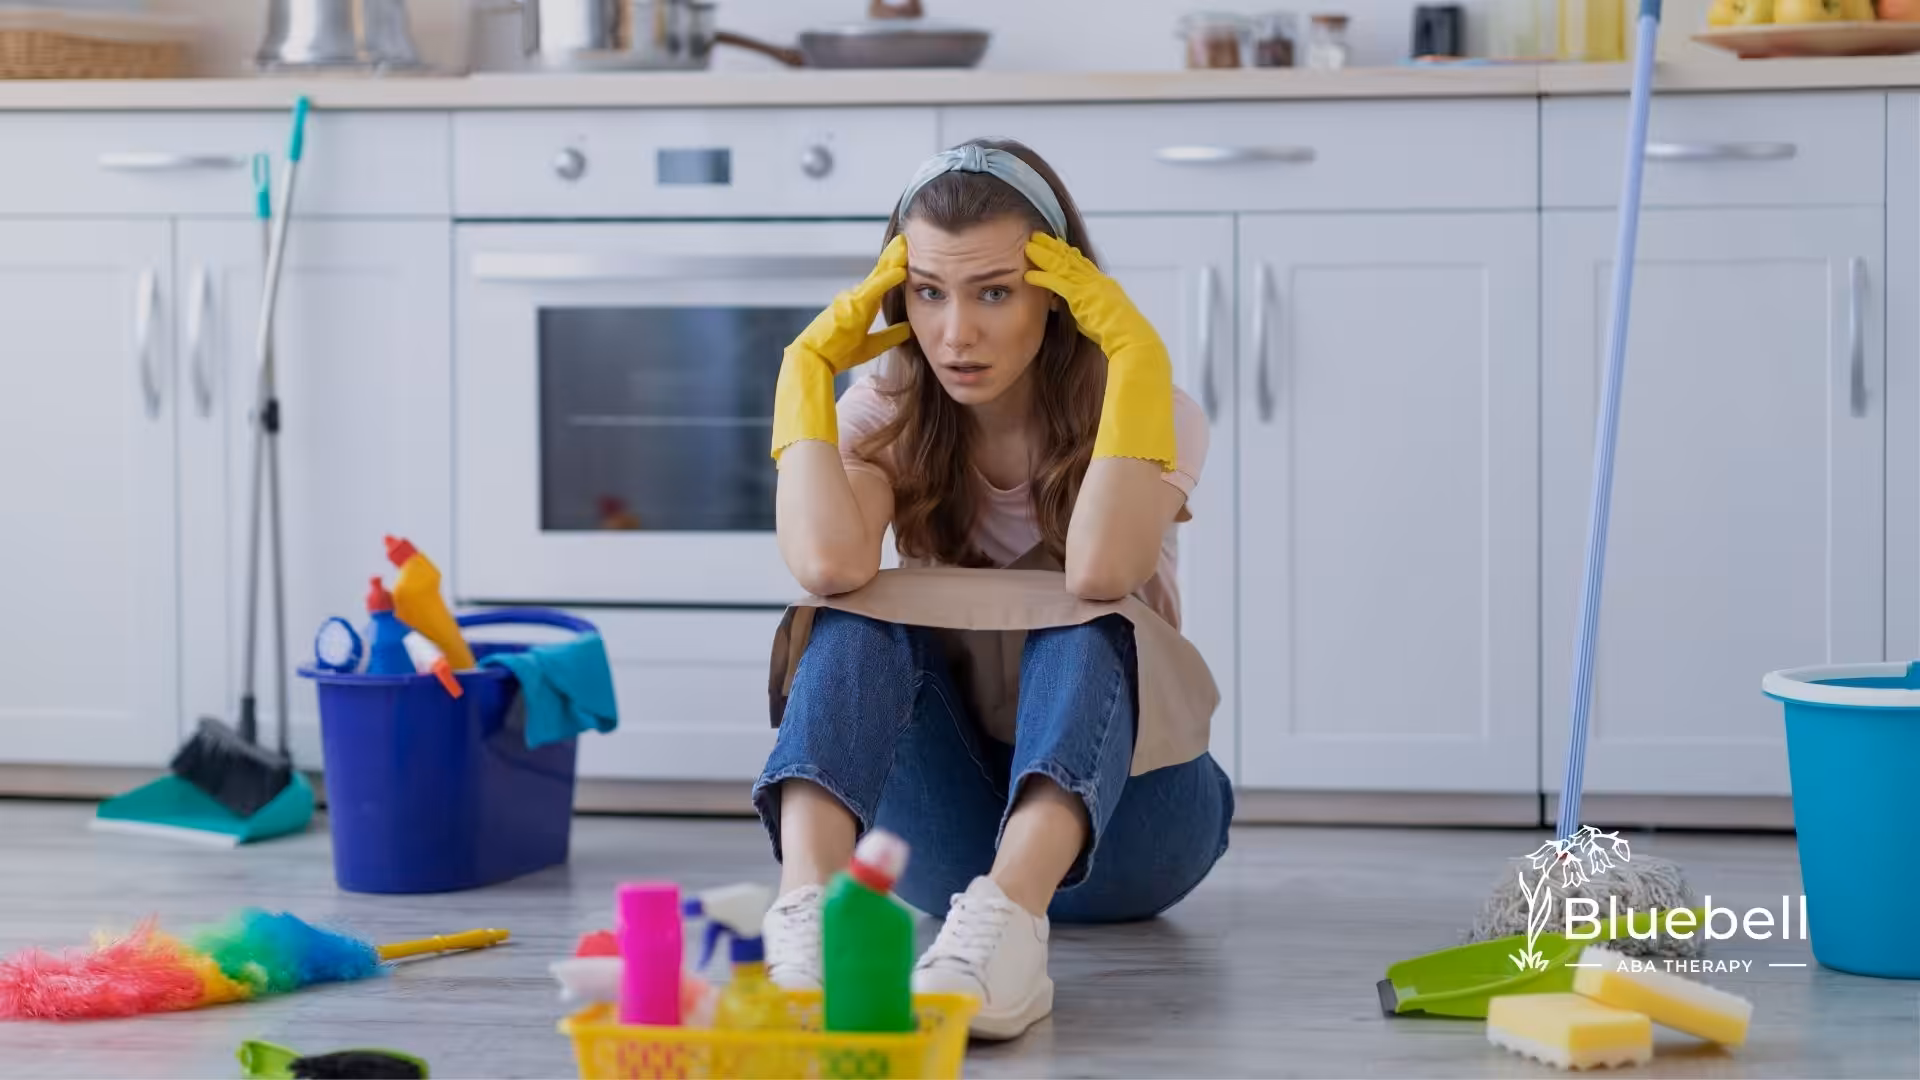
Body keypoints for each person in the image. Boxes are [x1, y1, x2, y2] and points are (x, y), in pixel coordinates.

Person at [754, 137, 1234, 1040]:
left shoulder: (1149, 406)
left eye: (995, 292)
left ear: (1057, 294)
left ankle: (1013, 927)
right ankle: (808, 919)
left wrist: (1130, 346)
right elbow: (823, 564)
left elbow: (1099, 572)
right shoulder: (886, 408)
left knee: (1086, 612)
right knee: (849, 607)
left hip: (1138, 832)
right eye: (928, 292)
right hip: (951, 845)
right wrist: (806, 370)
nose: (955, 333)